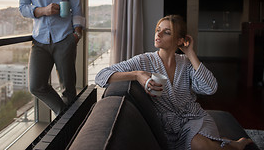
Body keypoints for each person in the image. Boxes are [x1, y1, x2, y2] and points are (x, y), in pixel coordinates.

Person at [95, 15, 252, 150]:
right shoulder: (144, 61)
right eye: (158, 30)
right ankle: (232, 146)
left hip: (195, 118)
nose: (159, 34)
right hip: (169, 129)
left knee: (198, 144)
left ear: (179, 41)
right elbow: (101, 76)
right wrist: (138, 75)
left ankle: (229, 145)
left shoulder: (186, 62)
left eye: (167, 32)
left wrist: (191, 53)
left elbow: (210, 88)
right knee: (199, 144)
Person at [19, 0, 85, 116]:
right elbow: (23, 8)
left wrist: (76, 35)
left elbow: (77, 10)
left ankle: (70, 130)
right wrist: (43, 10)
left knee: (69, 91)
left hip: (65, 38)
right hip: (39, 41)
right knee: (36, 86)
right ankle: (67, 117)